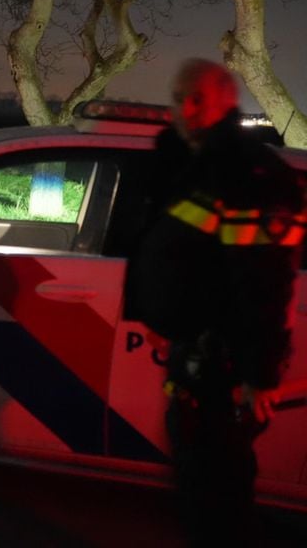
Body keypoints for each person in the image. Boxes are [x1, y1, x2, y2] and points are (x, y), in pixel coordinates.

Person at [128, 58, 304, 545]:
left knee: (218, 496)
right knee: (199, 486)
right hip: (195, 361)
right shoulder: (197, 168)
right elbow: (180, 255)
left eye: (199, 97)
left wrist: (258, 376)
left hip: (223, 371)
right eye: (179, 97)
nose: (186, 108)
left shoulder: (249, 175)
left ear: (229, 101)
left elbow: (265, 284)